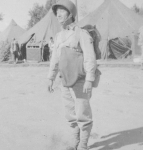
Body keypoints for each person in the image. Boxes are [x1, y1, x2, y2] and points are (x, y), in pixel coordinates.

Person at [47, 0, 98, 150]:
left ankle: (83, 145)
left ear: (70, 14)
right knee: (70, 113)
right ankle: (75, 142)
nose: (58, 14)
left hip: (80, 80)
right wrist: (50, 77)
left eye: (62, 11)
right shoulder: (58, 36)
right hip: (65, 81)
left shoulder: (81, 34)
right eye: (57, 12)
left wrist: (89, 79)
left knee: (83, 113)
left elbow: (90, 57)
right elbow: (55, 59)